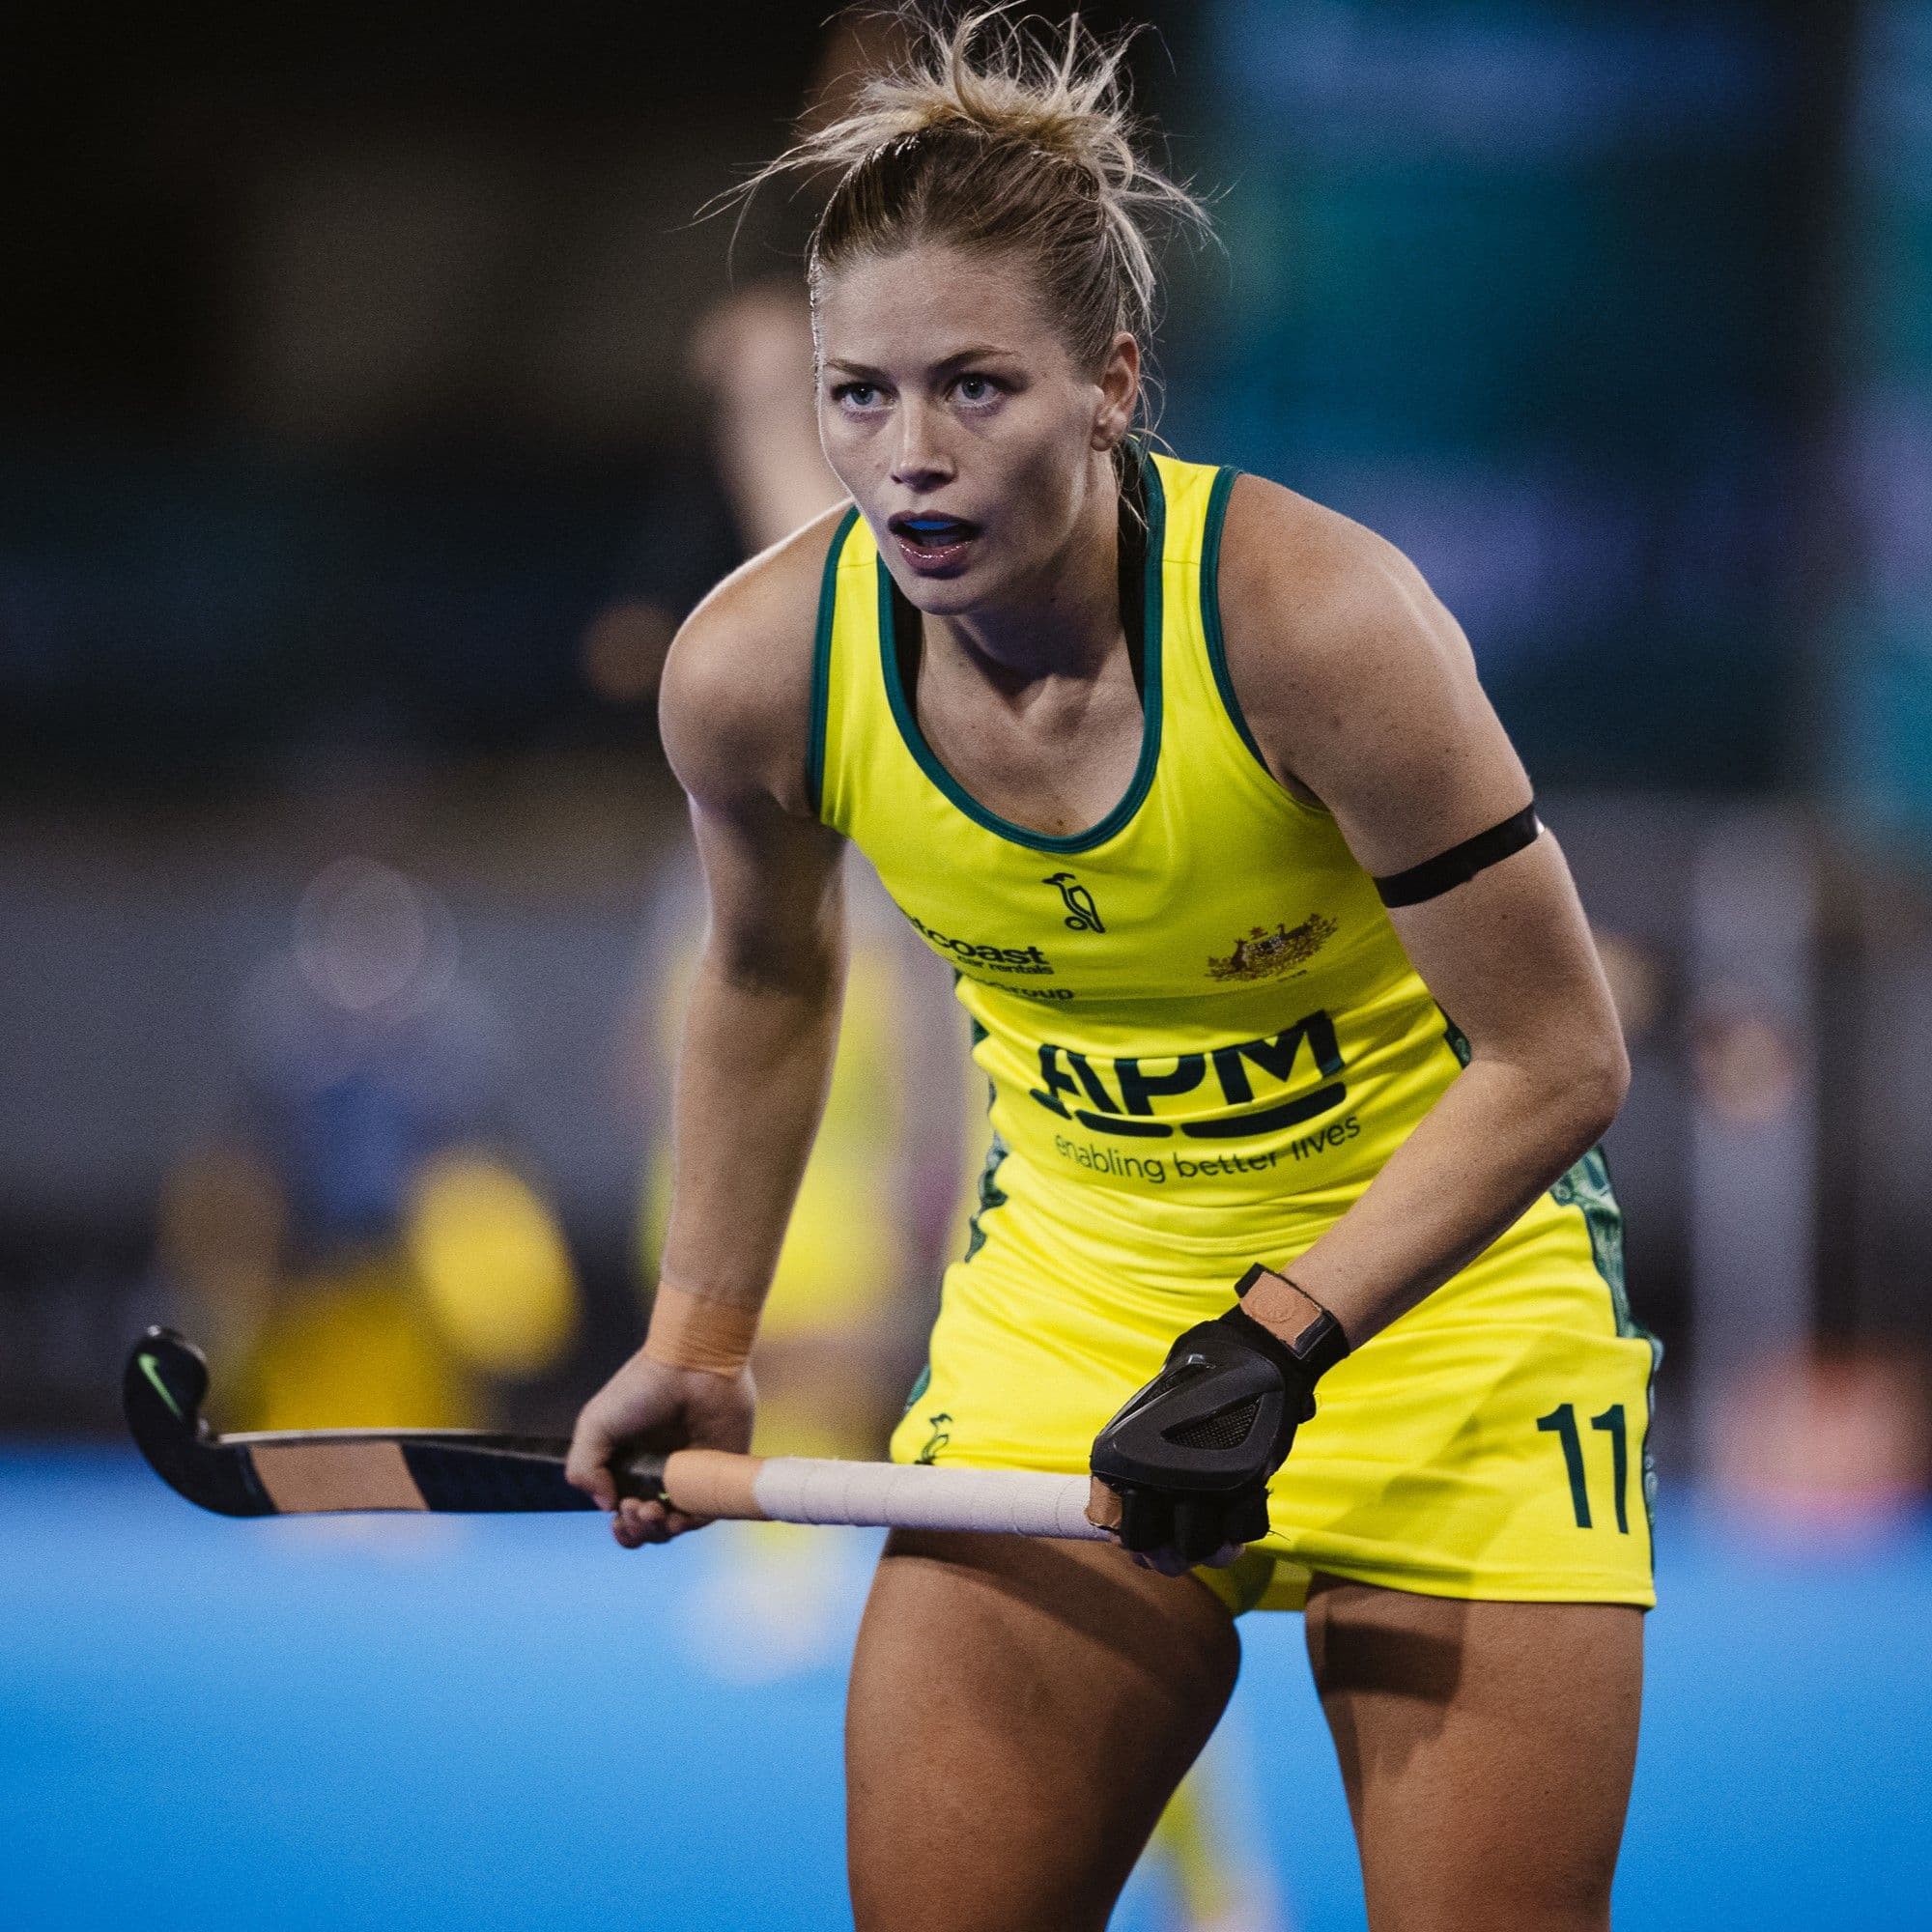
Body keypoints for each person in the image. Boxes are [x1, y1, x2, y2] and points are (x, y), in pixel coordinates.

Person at [567, 12, 1657, 1930]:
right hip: (1069, 1321)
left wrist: (1276, 1340)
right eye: (858, 396)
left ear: (1113, 385)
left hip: (1450, 1320)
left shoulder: (1319, 627)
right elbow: (765, 972)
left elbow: (1557, 1059)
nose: (908, 461)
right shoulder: (751, 673)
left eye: (976, 387)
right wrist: (703, 1340)